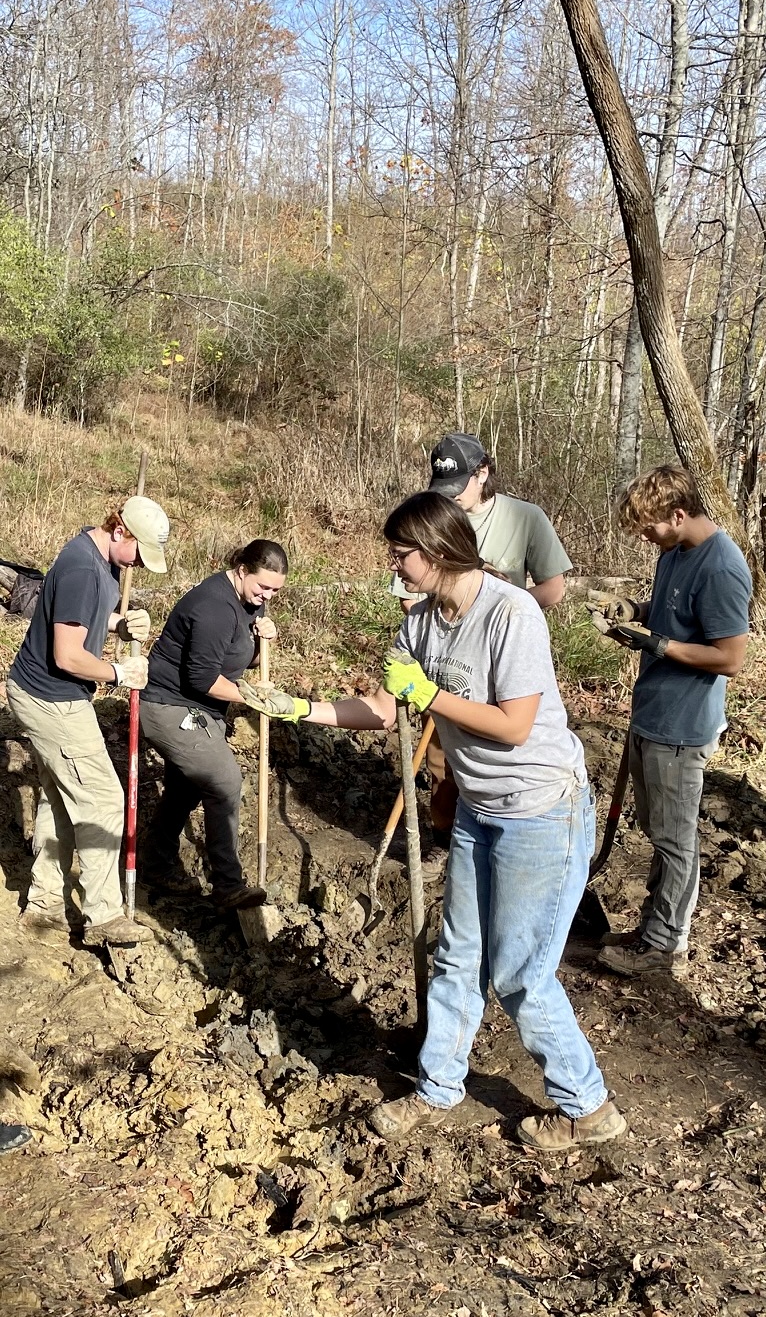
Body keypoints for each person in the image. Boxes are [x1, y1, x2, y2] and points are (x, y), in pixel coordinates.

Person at [240, 492, 626, 1151]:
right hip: (478, 808)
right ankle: (437, 1085)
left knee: (520, 972)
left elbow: (515, 723)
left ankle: (587, 1106)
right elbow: (384, 708)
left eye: (400, 552)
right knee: (456, 955)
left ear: (439, 549)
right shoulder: (419, 625)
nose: (392, 563)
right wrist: (296, 706)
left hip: (541, 810)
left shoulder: (512, 614)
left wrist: (430, 694)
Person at [591, 465, 752, 978]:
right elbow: (672, 617)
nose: (645, 536)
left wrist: (659, 645)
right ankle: (653, 928)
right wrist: (633, 611)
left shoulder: (722, 567)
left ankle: (663, 945)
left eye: (650, 527)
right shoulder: (675, 552)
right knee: (661, 832)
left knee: (675, 839)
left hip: (683, 725)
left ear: (678, 514)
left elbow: (729, 658)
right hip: (652, 711)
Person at [391, 433, 573, 850]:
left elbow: (553, 588)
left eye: (456, 489)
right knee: (443, 766)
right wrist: (299, 709)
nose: (449, 498)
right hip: (447, 676)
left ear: (483, 474)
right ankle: (445, 842)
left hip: (528, 795)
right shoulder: (422, 528)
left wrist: (502, 615)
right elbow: (409, 602)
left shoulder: (524, 526)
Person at [6, 497, 170, 946]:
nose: (139, 562)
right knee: (103, 800)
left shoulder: (97, 559)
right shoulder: (82, 569)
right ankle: (103, 916)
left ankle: (43, 905)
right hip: (51, 699)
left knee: (60, 796)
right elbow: (68, 654)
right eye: (138, 551)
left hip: (41, 692)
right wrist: (119, 672)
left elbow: (78, 619)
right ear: (120, 531)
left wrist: (118, 625)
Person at [138, 540, 287, 910]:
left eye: (274, 590)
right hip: (171, 706)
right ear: (241, 570)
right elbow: (203, 678)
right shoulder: (213, 607)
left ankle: (155, 863)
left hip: (201, 709)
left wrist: (262, 641)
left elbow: (237, 658)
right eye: (262, 587)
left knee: (186, 788)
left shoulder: (249, 601)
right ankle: (228, 885)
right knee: (224, 782)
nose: (266, 595)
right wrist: (254, 698)